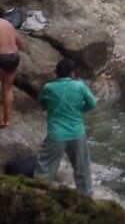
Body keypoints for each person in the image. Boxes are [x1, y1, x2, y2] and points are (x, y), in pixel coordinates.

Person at [34, 59, 97, 195]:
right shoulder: (80, 86)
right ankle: (86, 198)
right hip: (77, 133)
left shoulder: (48, 87)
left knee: (45, 169)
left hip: (55, 136)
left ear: (57, 73)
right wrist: (80, 109)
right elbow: (92, 103)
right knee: (82, 168)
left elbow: (43, 105)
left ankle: (38, 196)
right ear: (72, 73)